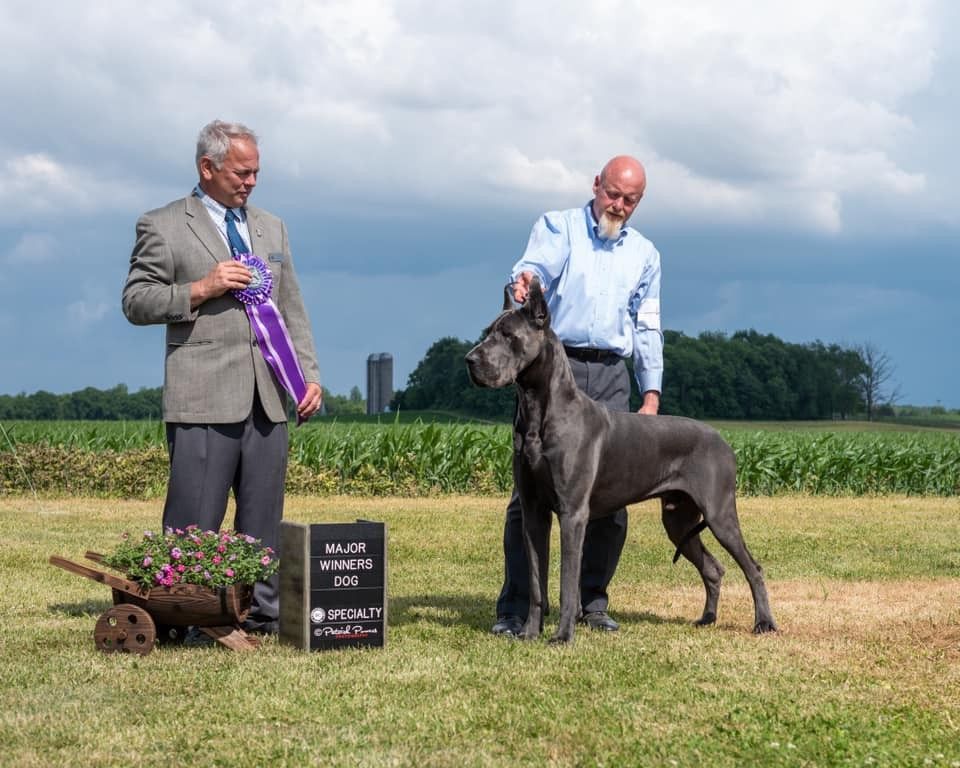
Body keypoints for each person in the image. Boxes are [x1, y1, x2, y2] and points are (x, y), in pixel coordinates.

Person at [122, 120, 322, 635]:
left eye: (256, 172)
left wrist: (307, 376)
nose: (251, 181)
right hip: (202, 397)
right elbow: (136, 301)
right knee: (194, 520)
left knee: (263, 520)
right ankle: (185, 616)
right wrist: (201, 288)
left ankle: (260, 616)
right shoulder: (162, 224)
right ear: (207, 167)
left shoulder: (272, 227)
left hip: (269, 398)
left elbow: (291, 308)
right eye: (241, 172)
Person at [492, 155, 663, 637]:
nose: (618, 205)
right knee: (529, 495)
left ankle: (592, 602)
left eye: (630, 200)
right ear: (596, 184)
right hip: (555, 373)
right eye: (613, 194)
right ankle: (518, 608)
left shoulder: (646, 254)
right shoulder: (559, 227)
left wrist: (651, 392)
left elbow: (648, 325)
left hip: (611, 375)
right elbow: (533, 270)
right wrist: (525, 281)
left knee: (612, 498)